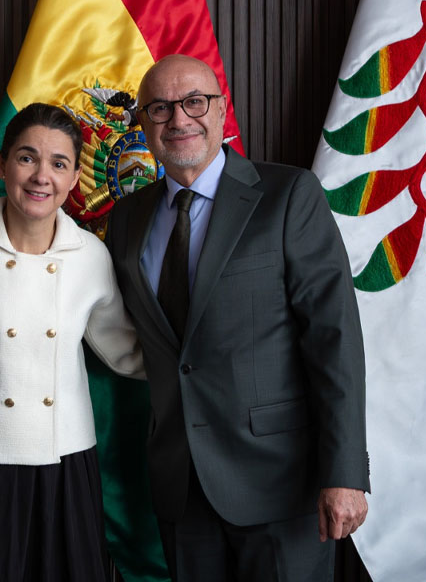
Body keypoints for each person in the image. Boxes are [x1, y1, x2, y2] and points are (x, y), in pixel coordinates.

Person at [104, 55, 370, 581]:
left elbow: (334, 339)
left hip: (281, 483)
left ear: (223, 110)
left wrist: (345, 473)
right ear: (143, 124)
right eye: (160, 108)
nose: (179, 119)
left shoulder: (289, 195)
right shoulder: (128, 219)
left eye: (194, 102)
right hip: (181, 487)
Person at [0, 103, 144, 581]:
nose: (41, 176)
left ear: (74, 178)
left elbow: (126, 352)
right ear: (2, 164)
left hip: (64, 462)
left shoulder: (90, 255)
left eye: (58, 163)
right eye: (26, 158)